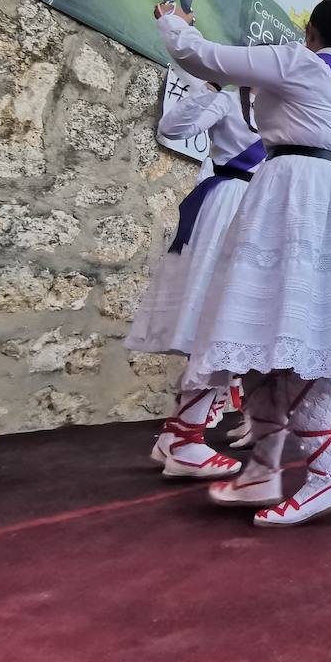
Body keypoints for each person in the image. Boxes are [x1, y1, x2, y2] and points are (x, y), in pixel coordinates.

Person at [154, 0, 331, 527]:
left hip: (294, 195)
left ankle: (328, 476)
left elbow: (201, 57)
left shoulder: (298, 61)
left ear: (311, 32)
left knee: (294, 338)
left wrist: (171, 20)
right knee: (270, 335)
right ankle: (262, 466)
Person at [126, 77, 263, 479]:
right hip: (226, 209)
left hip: (252, 210)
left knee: (225, 326)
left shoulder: (275, 110)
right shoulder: (224, 99)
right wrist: (205, 91)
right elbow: (172, 129)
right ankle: (187, 442)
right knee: (221, 324)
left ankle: (175, 435)